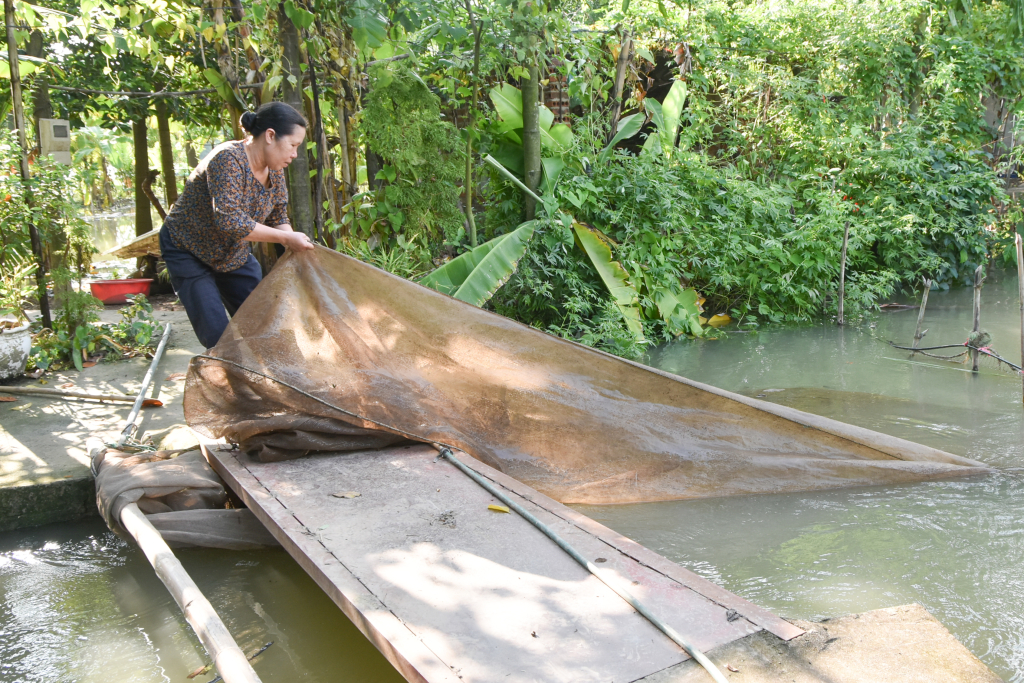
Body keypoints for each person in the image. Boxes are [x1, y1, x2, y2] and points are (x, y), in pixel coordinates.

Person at [159, 102, 316, 349]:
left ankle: (278, 382)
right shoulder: (228, 159)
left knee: (266, 322)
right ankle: (230, 382)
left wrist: (295, 242)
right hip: (188, 250)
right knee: (219, 337)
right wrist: (285, 239)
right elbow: (230, 220)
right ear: (270, 136)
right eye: (293, 145)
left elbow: (278, 216)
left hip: (232, 253)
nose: (295, 154)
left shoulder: (274, 170)